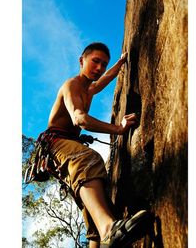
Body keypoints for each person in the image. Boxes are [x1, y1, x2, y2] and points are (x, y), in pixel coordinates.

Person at [40, 42, 150, 247]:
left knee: (94, 199)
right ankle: (109, 229)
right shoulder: (71, 85)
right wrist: (118, 128)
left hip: (65, 146)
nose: (99, 68)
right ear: (82, 60)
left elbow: (106, 77)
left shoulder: (89, 89)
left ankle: (98, 241)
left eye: (103, 63)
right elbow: (79, 118)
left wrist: (120, 62)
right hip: (56, 143)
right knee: (88, 159)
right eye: (95, 61)